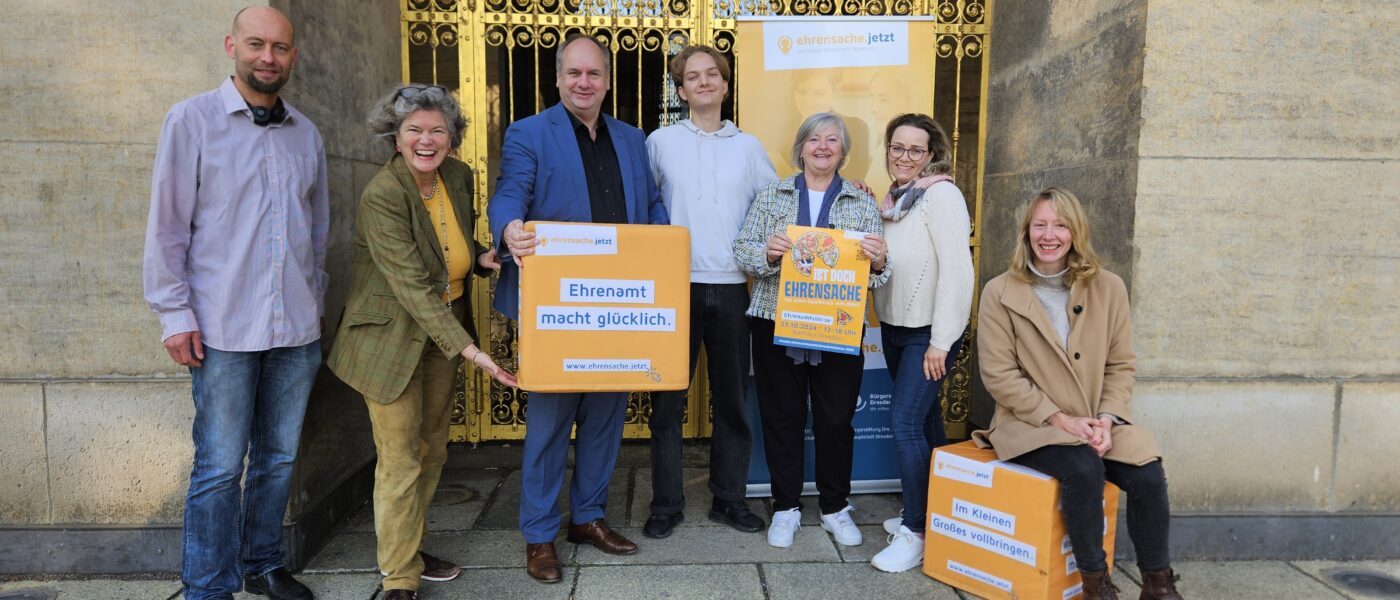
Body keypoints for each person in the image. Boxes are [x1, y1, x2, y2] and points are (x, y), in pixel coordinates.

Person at [143, 7, 324, 600]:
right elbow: (167, 228)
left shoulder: (307, 133)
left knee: (277, 460)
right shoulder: (191, 121)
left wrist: (314, 303)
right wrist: (174, 314)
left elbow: (316, 231)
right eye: (256, 44)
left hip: (295, 329)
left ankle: (263, 563)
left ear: (292, 55)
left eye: (280, 47)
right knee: (219, 468)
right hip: (221, 329)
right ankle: (207, 587)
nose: (268, 56)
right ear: (231, 46)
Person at [487, 33, 668, 584]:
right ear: (559, 78)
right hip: (558, 309)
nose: (583, 83)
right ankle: (539, 534)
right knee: (548, 425)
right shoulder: (529, 133)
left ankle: (587, 518)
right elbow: (509, 192)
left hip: (620, 305)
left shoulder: (634, 138)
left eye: (593, 74)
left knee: (605, 420)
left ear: (608, 80)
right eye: (574, 74)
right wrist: (509, 228)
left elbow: (653, 203)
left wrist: (661, 249)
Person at [326, 84, 518, 600]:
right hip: (389, 338)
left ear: (452, 137)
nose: (427, 140)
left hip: (441, 328)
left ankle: (407, 545)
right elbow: (412, 284)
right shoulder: (383, 195)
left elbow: (445, 243)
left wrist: (481, 257)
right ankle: (399, 579)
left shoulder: (456, 176)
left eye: (438, 130)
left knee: (432, 450)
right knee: (400, 457)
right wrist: (475, 353)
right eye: (414, 130)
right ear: (395, 137)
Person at [974, 188, 1182, 600]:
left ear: (1076, 231)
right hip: (1030, 422)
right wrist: (1060, 419)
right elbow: (999, 375)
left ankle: (1158, 585)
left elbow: (1120, 365)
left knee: (1147, 473)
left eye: (1060, 225)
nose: (1049, 235)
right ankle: (1096, 585)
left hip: (1095, 417)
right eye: (1040, 225)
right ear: (1026, 232)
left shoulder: (1109, 287)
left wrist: (1106, 419)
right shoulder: (999, 292)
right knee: (1083, 469)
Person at [732, 112, 891, 550]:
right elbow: (742, 251)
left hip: (839, 326)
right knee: (781, 417)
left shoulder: (862, 204)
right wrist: (766, 251)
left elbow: (876, 277)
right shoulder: (771, 195)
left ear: (843, 151)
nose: (823, 146)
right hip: (774, 322)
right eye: (814, 139)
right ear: (800, 147)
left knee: (836, 420)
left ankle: (835, 507)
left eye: (833, 140)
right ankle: (785, 508)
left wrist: (878, 262)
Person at [642, 45, 776, 539]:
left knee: (734, 402)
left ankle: (730, 499)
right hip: (673, 289)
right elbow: (644, 206)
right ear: (680, 91)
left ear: (724, 85)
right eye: (692, 77)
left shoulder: (749, 147)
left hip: (734, 287)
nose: (702, 82)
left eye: (711, 75)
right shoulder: (659, 142)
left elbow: (777, 204)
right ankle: (666, 504)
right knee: (667, 405)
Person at [868, 114, 974, 573]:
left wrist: (942, 341)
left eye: (915, 149)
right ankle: (937, 518)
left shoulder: (942, 196)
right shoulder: (894, 199)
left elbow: (958, 270)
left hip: (928, 335)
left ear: (931, 155)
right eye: (897, 147)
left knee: (905, 425)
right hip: (893, 328)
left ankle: (915, 532)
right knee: (927, 422)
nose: (904, 156)